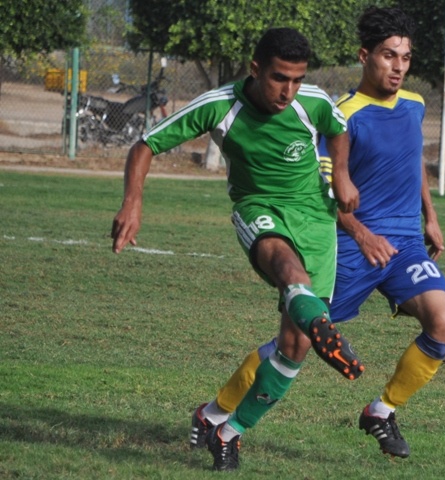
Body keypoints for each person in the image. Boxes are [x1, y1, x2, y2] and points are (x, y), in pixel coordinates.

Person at [189, 6, 445, 467]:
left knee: (444, 324)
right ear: (364, 57)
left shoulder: (415, 105)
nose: (398, 66)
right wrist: (359, 231)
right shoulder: (340, 115)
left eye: (405, 57)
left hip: (405, 243)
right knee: (295, 342)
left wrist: (429, 215)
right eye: (389, 56)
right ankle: (216, 412)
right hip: (351, 247)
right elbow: (321, 187)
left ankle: (382, 410)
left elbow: (413, 160)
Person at [110, 27, 365, 471]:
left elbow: (337, 129)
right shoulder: (219, 105)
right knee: (287, 269)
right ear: (255, 69)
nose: (288, 91)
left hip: (316, 218)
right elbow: (146, 145)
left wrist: (340, 174)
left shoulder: (314, 101)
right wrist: (133, 201)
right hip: (257, 208)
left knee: (294, 346)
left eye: (297, 80)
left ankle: (228, 432)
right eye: (279, 78)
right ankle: (327, 334)